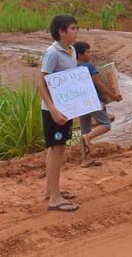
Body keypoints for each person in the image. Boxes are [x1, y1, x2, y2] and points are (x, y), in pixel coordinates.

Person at [39, 14, 79, 212]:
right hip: (54, 111)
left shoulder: (70, 51)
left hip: (65, 110)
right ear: (61, 32)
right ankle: (54, 198)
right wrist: (53, 109)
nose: (76, 31)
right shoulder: (52, 53)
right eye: (73, 28)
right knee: (57, 149)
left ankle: (51, 190)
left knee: (56, 148)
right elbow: (41, 82)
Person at [73, 41, 122, 168]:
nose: (90, 54)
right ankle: (88, 137)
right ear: (80, 55)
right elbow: (98, 84)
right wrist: (114, 96)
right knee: (106, 124)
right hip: (92, 101)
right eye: (88, 52)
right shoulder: (89, 66)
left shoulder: (72, 68)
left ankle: (86, 159)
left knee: (84, 130)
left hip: (81, 103)